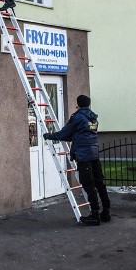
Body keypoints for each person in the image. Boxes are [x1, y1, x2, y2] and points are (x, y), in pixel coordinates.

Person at [43, 95, 111, 226]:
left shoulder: (77, 117)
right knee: (99, 183)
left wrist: (49, 136)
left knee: (88, 185)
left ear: (78, 104)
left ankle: (95, 215)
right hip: (94, 153)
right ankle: (106, 212)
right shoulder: (93, 117)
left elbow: (64, 134)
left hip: (84, 155)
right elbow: (82, 133)